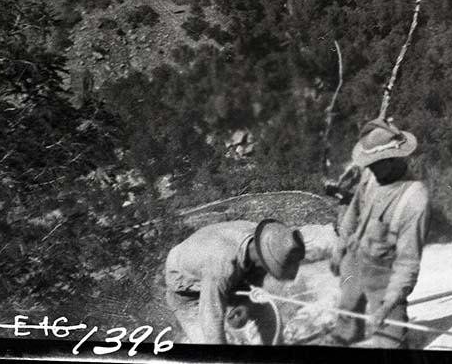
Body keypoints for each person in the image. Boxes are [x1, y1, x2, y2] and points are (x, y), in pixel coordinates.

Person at [329, 119, 429, 348]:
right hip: (355, 259)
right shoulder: (371, 174)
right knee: (345, 322)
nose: (370, 168)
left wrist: (387, 306)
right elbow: (353, 212)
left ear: (394, 159)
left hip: (385, 273)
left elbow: (408, 263)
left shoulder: (414, 198)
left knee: (390, 344)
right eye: (369, 163)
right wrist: (340, 248)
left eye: (376, 163)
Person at [163, 219, 304, 344]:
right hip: (188, 296)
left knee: (267, 314)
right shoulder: (220, 265)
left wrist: (245, 306)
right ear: (262, 259)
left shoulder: (264, 241)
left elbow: (255, 281)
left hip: (223, 275)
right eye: (270, 267)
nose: (268, 272)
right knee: (208, 348)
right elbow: (211, 318)